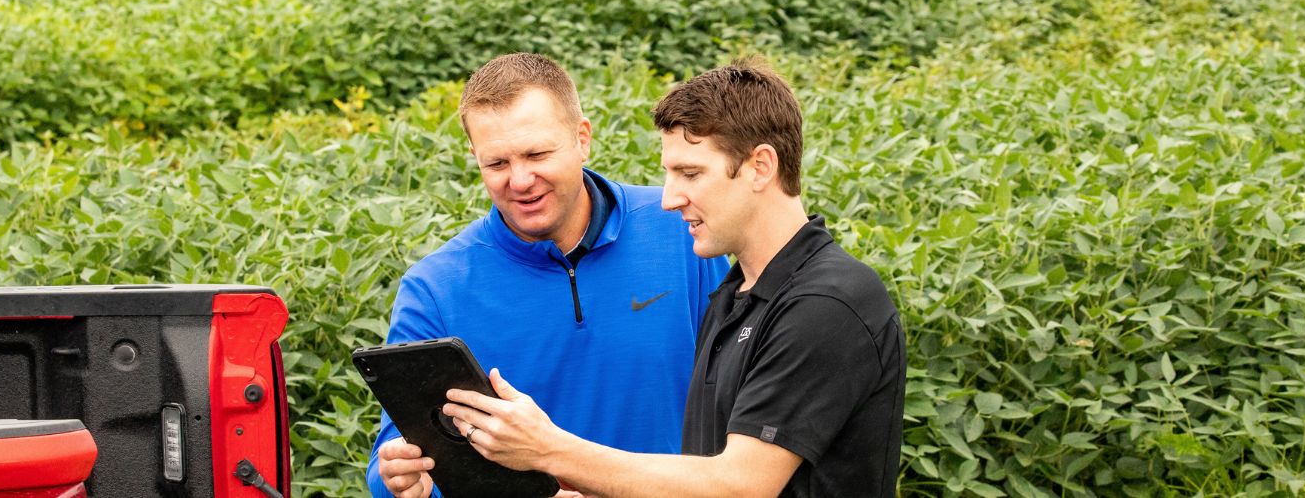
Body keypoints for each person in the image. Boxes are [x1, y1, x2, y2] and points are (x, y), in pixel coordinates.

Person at [443, 60, 907, 497]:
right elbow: (698, 476)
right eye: (670, 174)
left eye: (690, 173)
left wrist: (548, 450)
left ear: (760, 167)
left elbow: (741, 486)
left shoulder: (827, 303)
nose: (668, 199)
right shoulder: (735, 296)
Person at [366, 53, 729, 498]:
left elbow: (737, 390)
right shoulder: (434, 288)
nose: (520, 180)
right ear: (474, 157)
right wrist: (399, 476)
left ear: (582, 138)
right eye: (497, 164)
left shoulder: (681, 229)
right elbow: (394, 451)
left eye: (537, 154)